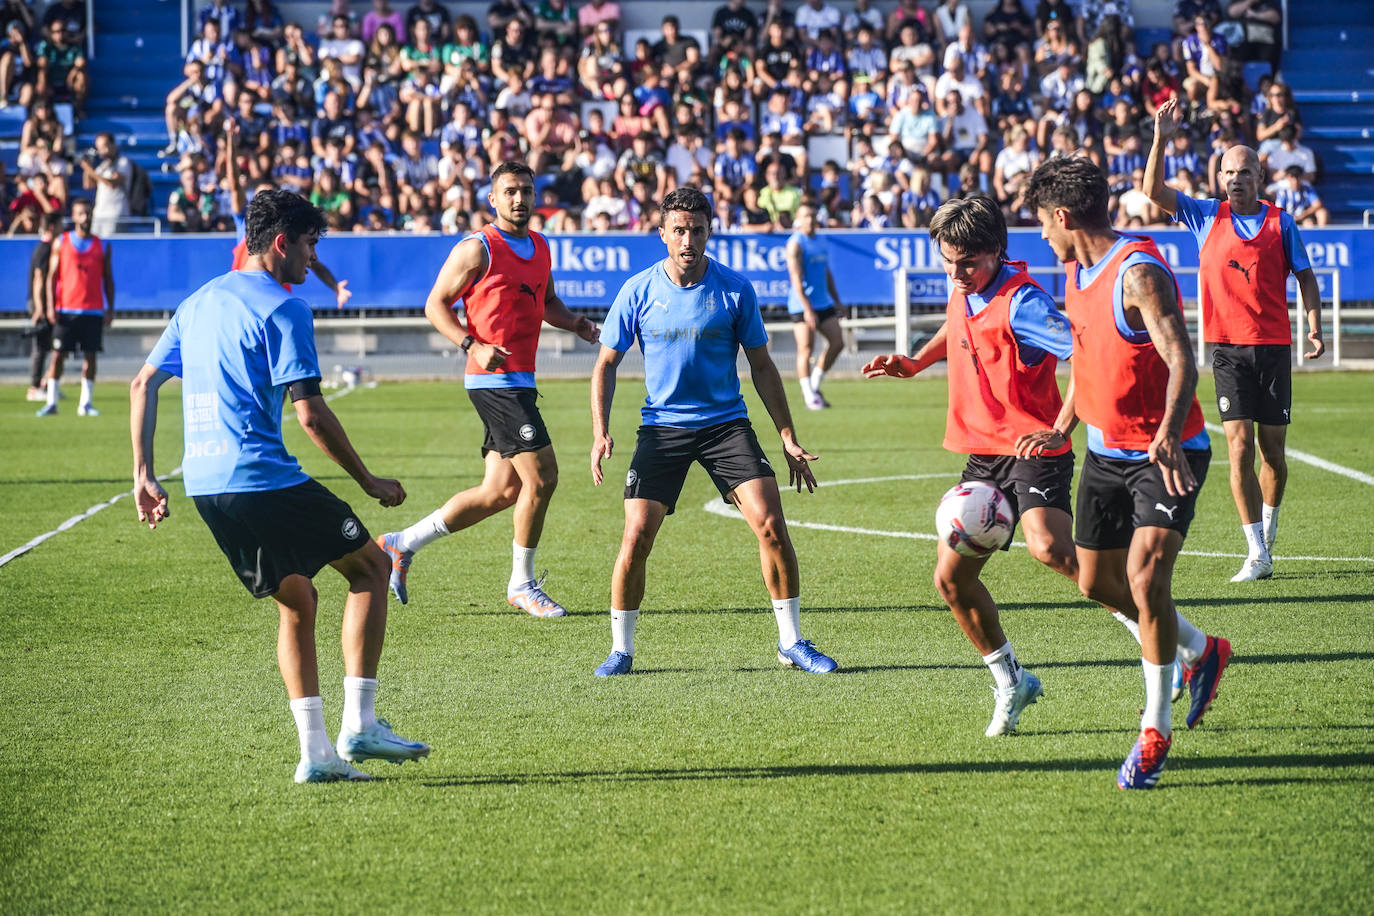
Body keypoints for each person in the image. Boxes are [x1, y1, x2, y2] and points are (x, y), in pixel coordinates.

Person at [129, 189, 429, 784]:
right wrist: (369, 481)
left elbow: (142, 385)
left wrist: (143, 473)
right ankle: (361, 726)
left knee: (298, 601)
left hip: (207, 487)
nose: (313, 259)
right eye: (311, 244)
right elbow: (311, 414)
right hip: (261, 477)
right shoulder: (283, 308)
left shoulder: (197, 302)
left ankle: (315, 756)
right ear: (281, 243)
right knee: (371, 567)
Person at [1022, 156, 1232, 789]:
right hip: (1105, 454)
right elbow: (1088, 363)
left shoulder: (1137, 272)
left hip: (1166, 455)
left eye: (1041, 223)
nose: (1041, 236)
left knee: (1145, 580)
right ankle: (1201, 649)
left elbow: (1181, 359)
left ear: (1062, 216)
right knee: (1093, 582)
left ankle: (1154, 730)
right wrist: (1060, 426)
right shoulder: (1075, 270)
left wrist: (1168, 432)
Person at [588, 187, 836, 678]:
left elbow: (763, 366)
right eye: (678, 230)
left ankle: (792, 642)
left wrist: (786, 435)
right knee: (636, 535)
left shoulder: (734, 289)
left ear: (709, 233)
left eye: (697, 230)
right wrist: (601, 432)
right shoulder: (637, 290)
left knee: (771, 524)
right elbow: (605, 364)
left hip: (726, 425)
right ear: (662, 234)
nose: (687, 239)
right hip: (662, 428)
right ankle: (621, 650)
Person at [863, 196, 1077, 736]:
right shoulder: (966, 290)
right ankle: (1011, 681)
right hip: (984, 454)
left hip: (1033, 446)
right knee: (950, 580)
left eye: (968, 263)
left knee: (1051, 550)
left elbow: (1087, 351)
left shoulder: (1023, 301)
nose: (956, 274)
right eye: (948, 262)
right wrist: (914, 362)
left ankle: (1171, 642)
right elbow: (956, 328)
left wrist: (1062, 428)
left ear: (997, 252)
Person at [375, 161, 599, 617]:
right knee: (543, 477)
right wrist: (470, 344)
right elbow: (434, 304)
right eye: (510, 191)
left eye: (527, 191)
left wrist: (572, 322)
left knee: (501, 491)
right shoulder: (478, 249)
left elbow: (547, 301)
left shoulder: (539, 245)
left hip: (520, 381)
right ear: (493, 199)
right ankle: (522, 584)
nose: (520, 199)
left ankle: (400, 545)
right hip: (495, 383)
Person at [1144, 98, 1324, 582]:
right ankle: (1256, 552)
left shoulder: (1281, 221)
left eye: (1244, 172)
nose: (1236, 179)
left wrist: (1313, 326)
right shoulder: (1205, 217)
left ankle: (1269, 529)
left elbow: (1305, 278)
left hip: (1272, 348)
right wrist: (1161, 136)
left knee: (1273, 455)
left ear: (1259, 177)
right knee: (1238, 447)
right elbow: (1151, 190)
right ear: (1219, 178)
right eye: (1228, 173)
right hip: (1225, 348)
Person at [224, 121, 353, 309]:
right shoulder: (247, 224)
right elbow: (234, 186)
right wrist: (231, 144)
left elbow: (313, 261)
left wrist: (335, 287)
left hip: (275, 301)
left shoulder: (288, 234)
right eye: (260, 197)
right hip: (248, 300)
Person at [35, 198, 110, 417]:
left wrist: (110, 308)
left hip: (92, 310)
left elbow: (108, 278)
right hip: (66, 310)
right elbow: (52, 276)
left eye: (88, 213)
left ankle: (85, 403)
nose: (85, 217)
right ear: (74, 216)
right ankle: (51, 402)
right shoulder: (62, 242)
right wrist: (50, 305)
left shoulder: (102, 245)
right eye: (81, 213)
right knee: (57, 355)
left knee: (91, 356)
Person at [785, 202, 844, 411]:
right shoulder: (795, 244)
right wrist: (807, 309)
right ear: (798, 219)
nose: (810, 220)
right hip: (801, 304)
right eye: (805, 216)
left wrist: (836, 299)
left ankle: (814, 386)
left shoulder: (821, 240)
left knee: (837, 342)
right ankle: (810, 397)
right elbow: (796, 279)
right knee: (806, 349)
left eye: (812, 215)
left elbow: (826, 272)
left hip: (823, 302)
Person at [25, 212, 61, 402]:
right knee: (41, 348)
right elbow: (39, 279)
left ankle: (47, 385)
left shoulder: (47, 248)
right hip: (41, 304)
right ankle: (34, 387)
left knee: (54, 347)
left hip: (47, 304)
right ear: (53, 227)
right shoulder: (44, 249)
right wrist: (40, 307)